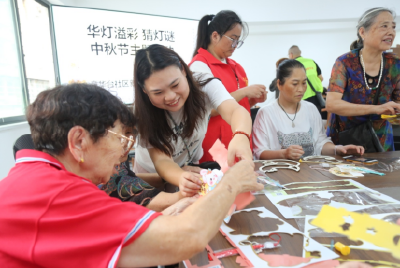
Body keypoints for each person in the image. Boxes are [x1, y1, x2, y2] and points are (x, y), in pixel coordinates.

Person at [0, 83, 263, 267]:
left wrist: (165, 215)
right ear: (79, 141)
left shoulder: (36, 177)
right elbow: (186, 238)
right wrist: (231, 182)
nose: (125, 153)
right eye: (119, 139)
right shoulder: (56, 194)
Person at [133, 44, 253, 197]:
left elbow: (235, 111)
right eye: (158, 92)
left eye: (175, 85)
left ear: (183, 70)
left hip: (187, 168)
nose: (170, 97)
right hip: (151, 176)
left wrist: (241, 135)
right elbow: (162, 160)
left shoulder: (205, 84)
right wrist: (181, 177)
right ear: (144, 90)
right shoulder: (143, 111)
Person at [189, 10, 267, 163]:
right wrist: (244, 91)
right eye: (232, 39)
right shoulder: (200, 66)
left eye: (238, 40)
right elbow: (207, 110)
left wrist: (250, 100)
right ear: (215, 36)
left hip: (239, 137)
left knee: (242, 182)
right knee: (222, 183)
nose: (235, 45)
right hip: (216, 145)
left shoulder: (236, 67)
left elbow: (236, 103)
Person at [253, 60, 364, 160]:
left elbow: (320, 143)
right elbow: (259, 152)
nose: (301, 89)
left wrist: (338, 149)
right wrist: (283, 154)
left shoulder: (311, 109)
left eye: (304, 83)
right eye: (295, 84)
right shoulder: (266, 113)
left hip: (310, 175)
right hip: (281, 176)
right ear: (279, 84)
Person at [325, 7, 400, 151]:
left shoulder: (395, 63)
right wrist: (377, 109)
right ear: (362, 32)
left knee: (387, 173)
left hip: (381, 141)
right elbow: (332, 104)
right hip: (346, 140)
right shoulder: (345, 62)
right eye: (384, 26)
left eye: (393, 27)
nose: (391, 32)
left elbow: (397, 101)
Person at [101, 126, 187, 211]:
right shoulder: (105, 168)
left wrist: (171, 177)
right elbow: (147, 200)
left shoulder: (113, 164)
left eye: (133, 132)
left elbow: (129, 178)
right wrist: (195, 191)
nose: (128, 140)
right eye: (124, 133)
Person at [288, 45, 327, 119]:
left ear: (291, 54)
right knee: (316, 119)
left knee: (303, 120)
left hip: (300, 97)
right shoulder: (311, 61)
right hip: (316, 96)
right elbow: (321, 78)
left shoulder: (292, 64)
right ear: (300, 53)